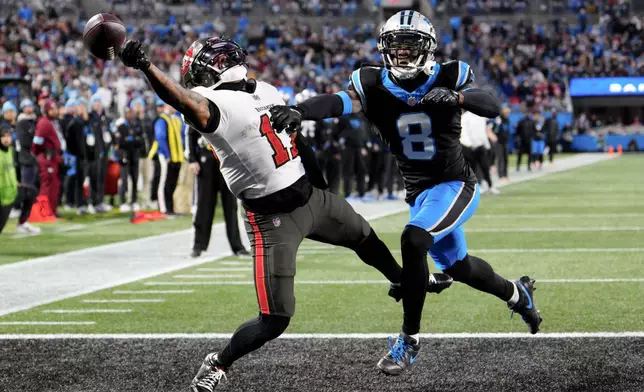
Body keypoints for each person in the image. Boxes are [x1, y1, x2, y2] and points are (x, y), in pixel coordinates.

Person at [117, 35, 452, 392]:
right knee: (274, 320)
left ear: (207, 68)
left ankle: (403, 279)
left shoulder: (265, 89)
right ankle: (218, 362)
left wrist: (322, 187)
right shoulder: (215, 103)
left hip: (310, 198)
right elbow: (180, 100)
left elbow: (297, 138)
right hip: (272, 221)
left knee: (364, 237)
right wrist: (146, 66)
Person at [270, 10, 542, 376]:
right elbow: (337, 102)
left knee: (414, 240)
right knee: (459, 267)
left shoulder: (449, 75)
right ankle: (517, 294)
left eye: (409, 45)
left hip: (454, 184)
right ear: (384, 49)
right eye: (395, 46)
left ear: (427, 47)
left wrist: (458, 100)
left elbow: (493, 106)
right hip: (420, 194)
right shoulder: (372, 84)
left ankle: (409, 340)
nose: (401, 53)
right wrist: (300, 111)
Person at [187, 126, 249, 258]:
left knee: (231, 206)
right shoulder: (199, 107)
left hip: (227, 161)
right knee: (204, 205)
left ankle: (237, 246)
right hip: (206, 160)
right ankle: (198, 245)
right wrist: (192, 159)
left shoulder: (228, 109)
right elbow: (191, 133)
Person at [32, 99, 65, 216]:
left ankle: (52, 210)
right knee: (47, 185)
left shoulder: (53, 122)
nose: (55, 111)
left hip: (54, 157)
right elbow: (37, 141)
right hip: (47, 157)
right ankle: (43, 211)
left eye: (55, 108)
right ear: (47, 110)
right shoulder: (44, 122)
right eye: (52, 109)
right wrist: (39, 154)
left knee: (54, 185)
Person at [151, 101, 184, 214]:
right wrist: (166, 154)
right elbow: (160, 137)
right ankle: (164, 208)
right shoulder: (162, 119)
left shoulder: (176, 119)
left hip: (177, 156)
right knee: (164, 182)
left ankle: (170, 208)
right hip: (166, 157)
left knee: (172, 183)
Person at [114, 107, 145, 212]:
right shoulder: (121, 127)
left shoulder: (137, 126)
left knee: (135, 180)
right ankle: (122, 202)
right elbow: (120, 142)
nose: (130, 115)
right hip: (125, 157)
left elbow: (141, 141)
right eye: (128, 113)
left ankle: (134, 201)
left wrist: (130, 141)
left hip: (134, 156)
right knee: (124, 180)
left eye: (131, 113)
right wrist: (132, 141)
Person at [461, 109, 499, 195]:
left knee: (485, 167)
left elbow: (483, 132)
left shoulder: (481, 117)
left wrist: (487, 145)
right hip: (470, 147)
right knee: (472, 169)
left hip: (480, 146)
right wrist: (469, 144)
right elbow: (464, 132)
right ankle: (476, 187)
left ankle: (490, 186)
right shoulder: (466, 117)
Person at [89, 94, 113, 212]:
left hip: (104, 151)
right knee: (95, 178)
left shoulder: (104, 118)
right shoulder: (90, 118)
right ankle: (93, 202)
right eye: (96, 102)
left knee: (102, 177)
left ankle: (100, 201)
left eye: (99, 102)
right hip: (95, 152)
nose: (98, 104)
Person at [491, 106, 511, 182]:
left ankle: (506, 175)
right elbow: (494, 129)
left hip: (505, 142)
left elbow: (508, 130)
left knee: (505, 158)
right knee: (501, 158)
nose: (508, 113)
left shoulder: (507, 120)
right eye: (507, 112)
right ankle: (501, 175)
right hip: (499, 142)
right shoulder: (498, 119)